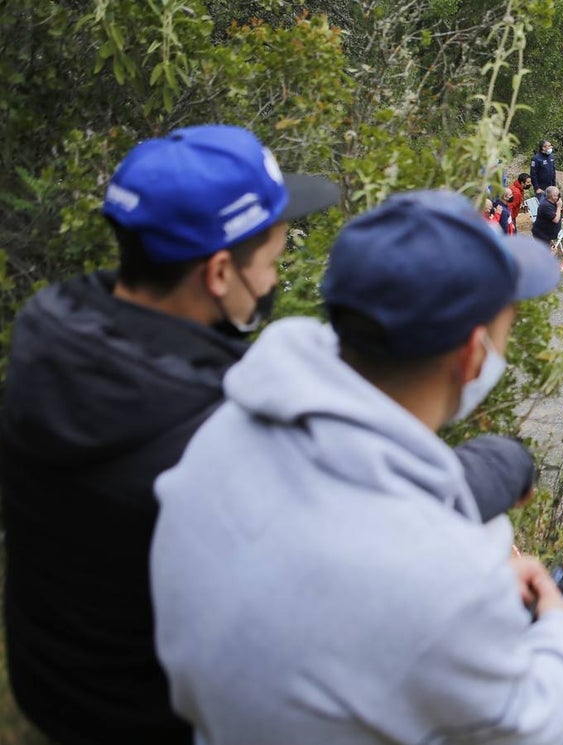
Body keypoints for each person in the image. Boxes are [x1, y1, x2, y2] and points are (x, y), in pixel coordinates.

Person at [149, 189, 563, 745]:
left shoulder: (223, 433)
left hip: (249, 709)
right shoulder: (439, 577)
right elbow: (537, 719)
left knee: (562, 595)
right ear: (470, 356)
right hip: (454, 702)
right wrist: (559, 629)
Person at [0, 124, 341, 745]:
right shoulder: (215, 433)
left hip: (50, 682)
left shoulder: (49, 333)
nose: (272, 281)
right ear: (219, 273)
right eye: (270, 262)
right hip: (156, 721)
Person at [532, 185, 563, 251]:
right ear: (552, 196)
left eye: (558, 195)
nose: (558, 197)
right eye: (556, 195)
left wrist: (562, 211)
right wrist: (559, 207)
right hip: (541, 234)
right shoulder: (546, 206)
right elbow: (555, 220)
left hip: (547, 234)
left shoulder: (553, 202)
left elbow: (557, 215)